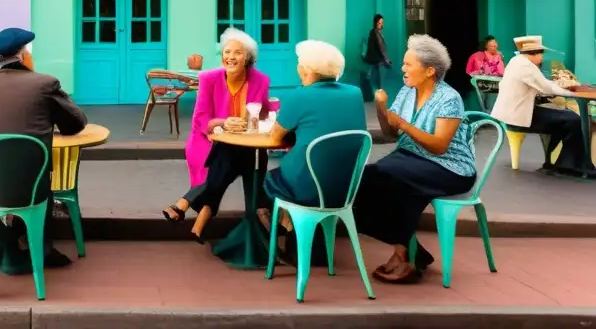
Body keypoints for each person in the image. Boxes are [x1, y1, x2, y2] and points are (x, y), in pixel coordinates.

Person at [0, 26, 87, 269]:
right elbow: (76, 122)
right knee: (40, 178)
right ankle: (36, 246)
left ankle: (0, 233)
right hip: (34, 185)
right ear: (25, 55)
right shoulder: (45, 83)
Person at [353, 34, 477, 284]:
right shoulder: (406, 92)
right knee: (362, 181)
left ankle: (406, 255)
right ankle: (411, 251)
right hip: (410, 158)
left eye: (409, 64)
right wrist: (381, 108)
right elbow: (390, 134)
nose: (402, 68)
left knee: (388, 180)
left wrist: (404, 125)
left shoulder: (448, 98)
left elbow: (440, 146)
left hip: (450, 167)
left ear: (430, 70)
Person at [161, 27, 271, 243]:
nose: (230, 57)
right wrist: (223, 122)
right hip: (207, 142)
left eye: (237, 53)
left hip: (242, 144)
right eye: (226, 52)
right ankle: (257, 213)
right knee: (235, 157)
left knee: (239, 157)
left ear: (248, 58)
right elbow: (200, 118)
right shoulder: (209, 78)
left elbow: (264, 111)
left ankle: (185, 205)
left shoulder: (260, 81)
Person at [255, 40, 367, 252]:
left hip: (308, 188)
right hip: (347, 187)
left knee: (270, 180)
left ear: (304, 69)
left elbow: (274, 138)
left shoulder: (300, 95)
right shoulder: (355, 93)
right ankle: (295, 231)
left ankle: (284, 231)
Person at [491, 35, 587, 176]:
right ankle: (569, 166)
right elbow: (548, 88)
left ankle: (555, 163)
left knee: (564, 117)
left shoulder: (515, 61)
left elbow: (541, 85)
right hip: (518, 119)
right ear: (533, 53)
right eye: (541, 53)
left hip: (510, 115)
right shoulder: (527, 67)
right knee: (573, 119)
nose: (542, 57)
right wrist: (575, 93)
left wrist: (562, 86)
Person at [363, 14, 390, 93]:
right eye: (379, 23)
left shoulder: (378, 33)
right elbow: (375, 48)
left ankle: (378, 90)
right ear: (375, 23)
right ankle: (379, 90)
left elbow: (381, 48)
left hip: (377, 58)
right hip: (375, 59)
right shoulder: (374, 33)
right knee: (381, 71)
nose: (381, 25)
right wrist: (381, 60)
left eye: (382, 23)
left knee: (380, 72)